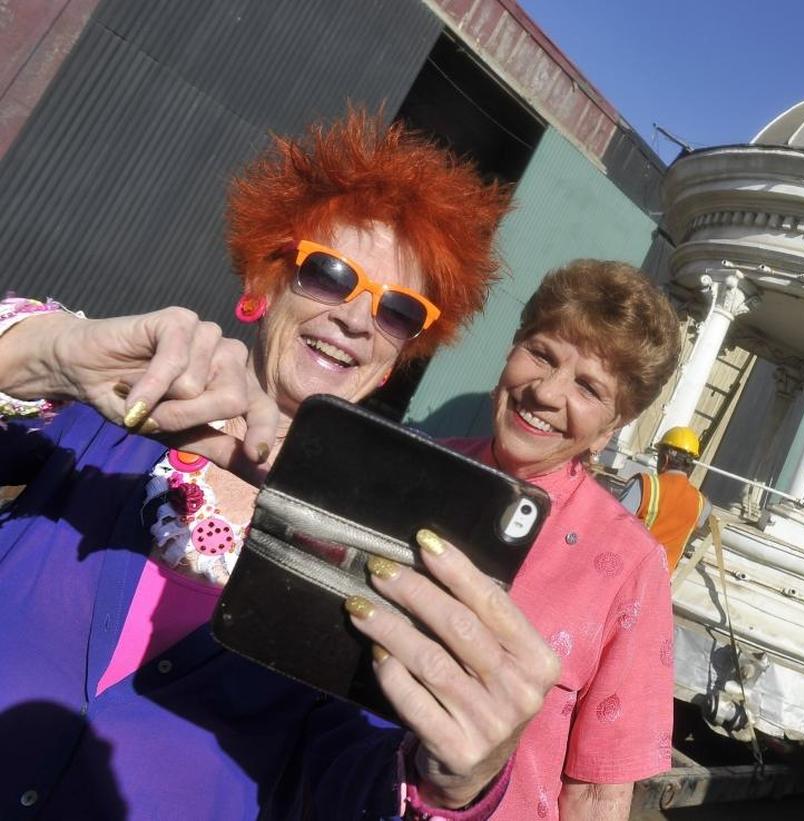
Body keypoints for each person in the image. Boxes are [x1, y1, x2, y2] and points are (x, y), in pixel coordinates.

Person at [0, 111, 559, 819]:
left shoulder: (378, 560)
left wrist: (454, 784)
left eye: (396, 311)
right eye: (329, 273)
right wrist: (42, 351)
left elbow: (354, 784)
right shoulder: (103, 413)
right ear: (266, 280)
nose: (358, 319)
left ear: (396, 358)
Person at [443, 259, 683, 819]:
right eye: (541, 354)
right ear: (511, 349)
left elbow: (597, 793)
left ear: (612, 425)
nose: (546, 392)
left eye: (588, 387)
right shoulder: (410, 466)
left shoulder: (629, 565)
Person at [618, 426, 711, 571]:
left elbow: (615, 524)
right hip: (660, 584)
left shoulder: (644, 485)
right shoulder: (701, 502)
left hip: (629, 572)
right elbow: (704, 517)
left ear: (665, 459)